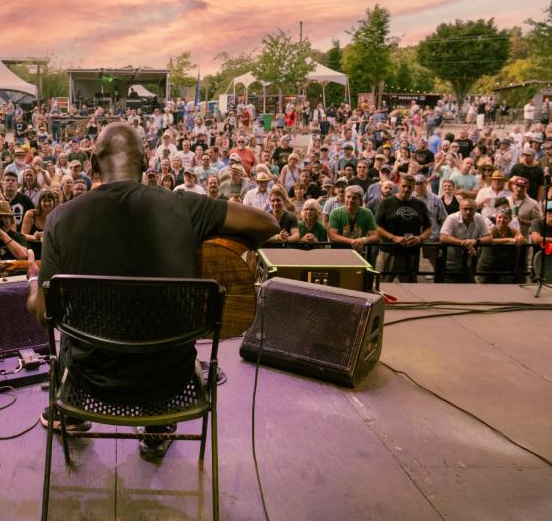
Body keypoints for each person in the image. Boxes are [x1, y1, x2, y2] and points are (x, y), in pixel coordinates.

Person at [25, 122, 277, 459]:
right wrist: (215, 252)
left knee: (74, 315)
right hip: (170, 380)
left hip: (92, 380)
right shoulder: (186, 207)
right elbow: (267, 224)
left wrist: (31, 284)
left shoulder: (60, 218)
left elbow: (45, 314)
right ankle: (158, 425)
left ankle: (70, 413)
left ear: (93, 165)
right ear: (146, 161)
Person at [374, 174, 432, 282]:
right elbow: (376, 226)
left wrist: (420, 238)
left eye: (409, 187)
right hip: (389, 250)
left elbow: (429, 228)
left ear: (413, 187)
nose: (406, 189)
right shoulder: (386, 203)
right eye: (404, 186)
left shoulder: (420, 204)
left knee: (409, 286)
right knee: (384, 284)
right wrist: (393, 237)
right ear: (398, 185)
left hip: (411, 252)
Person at [439, 199, 493, 281]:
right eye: (465, 209)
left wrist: (475, 241)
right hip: (451, 262)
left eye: (471, 209)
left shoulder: (479, 218)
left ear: (475, 209)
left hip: (469, 262)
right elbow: (443, 237)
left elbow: (489, 238)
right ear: (460, 208)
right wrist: (464, 243)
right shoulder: (452, 218)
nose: (468, 212)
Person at [327, 184, 378, 254]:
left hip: (359, 254)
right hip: (339, 254)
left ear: (360, 201)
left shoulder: (367, 213)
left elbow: (375, 236)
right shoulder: (335, 213)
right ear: (344, 198)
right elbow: (332, 236)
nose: (350, 200)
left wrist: (364, 240)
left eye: (354, 198)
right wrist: (352, 241)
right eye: (348, 197)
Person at [21, 189, 59, 260]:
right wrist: (37, 237)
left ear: (54, 202)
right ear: (39, 202)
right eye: (44, 201)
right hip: (33, 251)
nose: (47, 203)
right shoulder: (31, 214)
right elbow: (22, 235)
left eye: (49, 201)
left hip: (51, 252)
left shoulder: (57, 215)